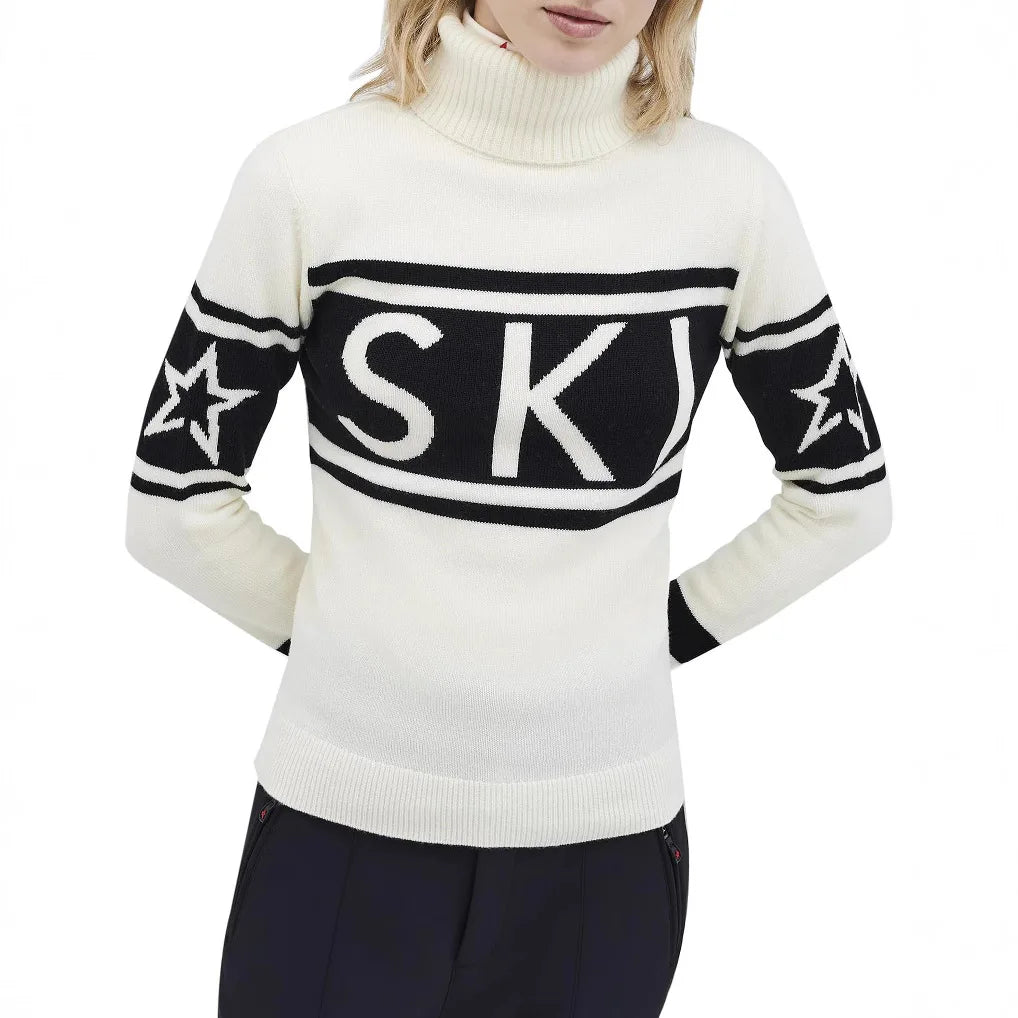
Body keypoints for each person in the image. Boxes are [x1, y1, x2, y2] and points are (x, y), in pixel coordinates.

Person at [123, 1, 892, 1015]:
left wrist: (649, 637)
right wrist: (352, 637)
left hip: (604, 859)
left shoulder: (728, 195)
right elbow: (175, 502)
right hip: (336, 834)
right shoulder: (310, 179)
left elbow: (843, 495)